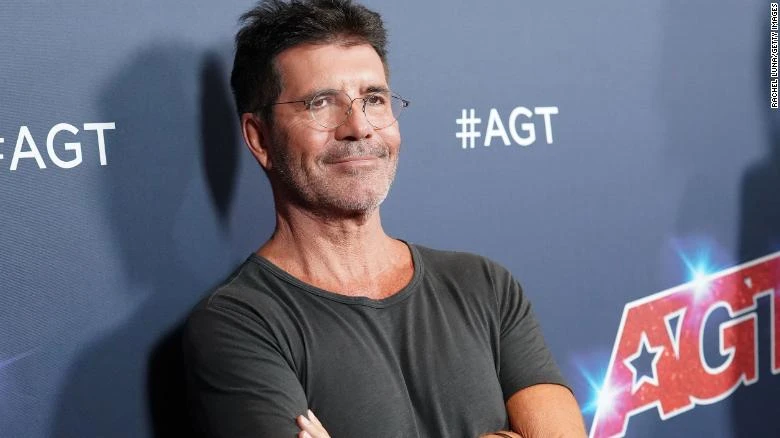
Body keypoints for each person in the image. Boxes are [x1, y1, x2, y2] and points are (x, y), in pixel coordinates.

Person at [182, 0, 587, 437]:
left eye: (373, 99)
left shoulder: (484, 286)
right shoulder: (239, 323)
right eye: (321, 103)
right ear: (260, 138)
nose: (358, 127)